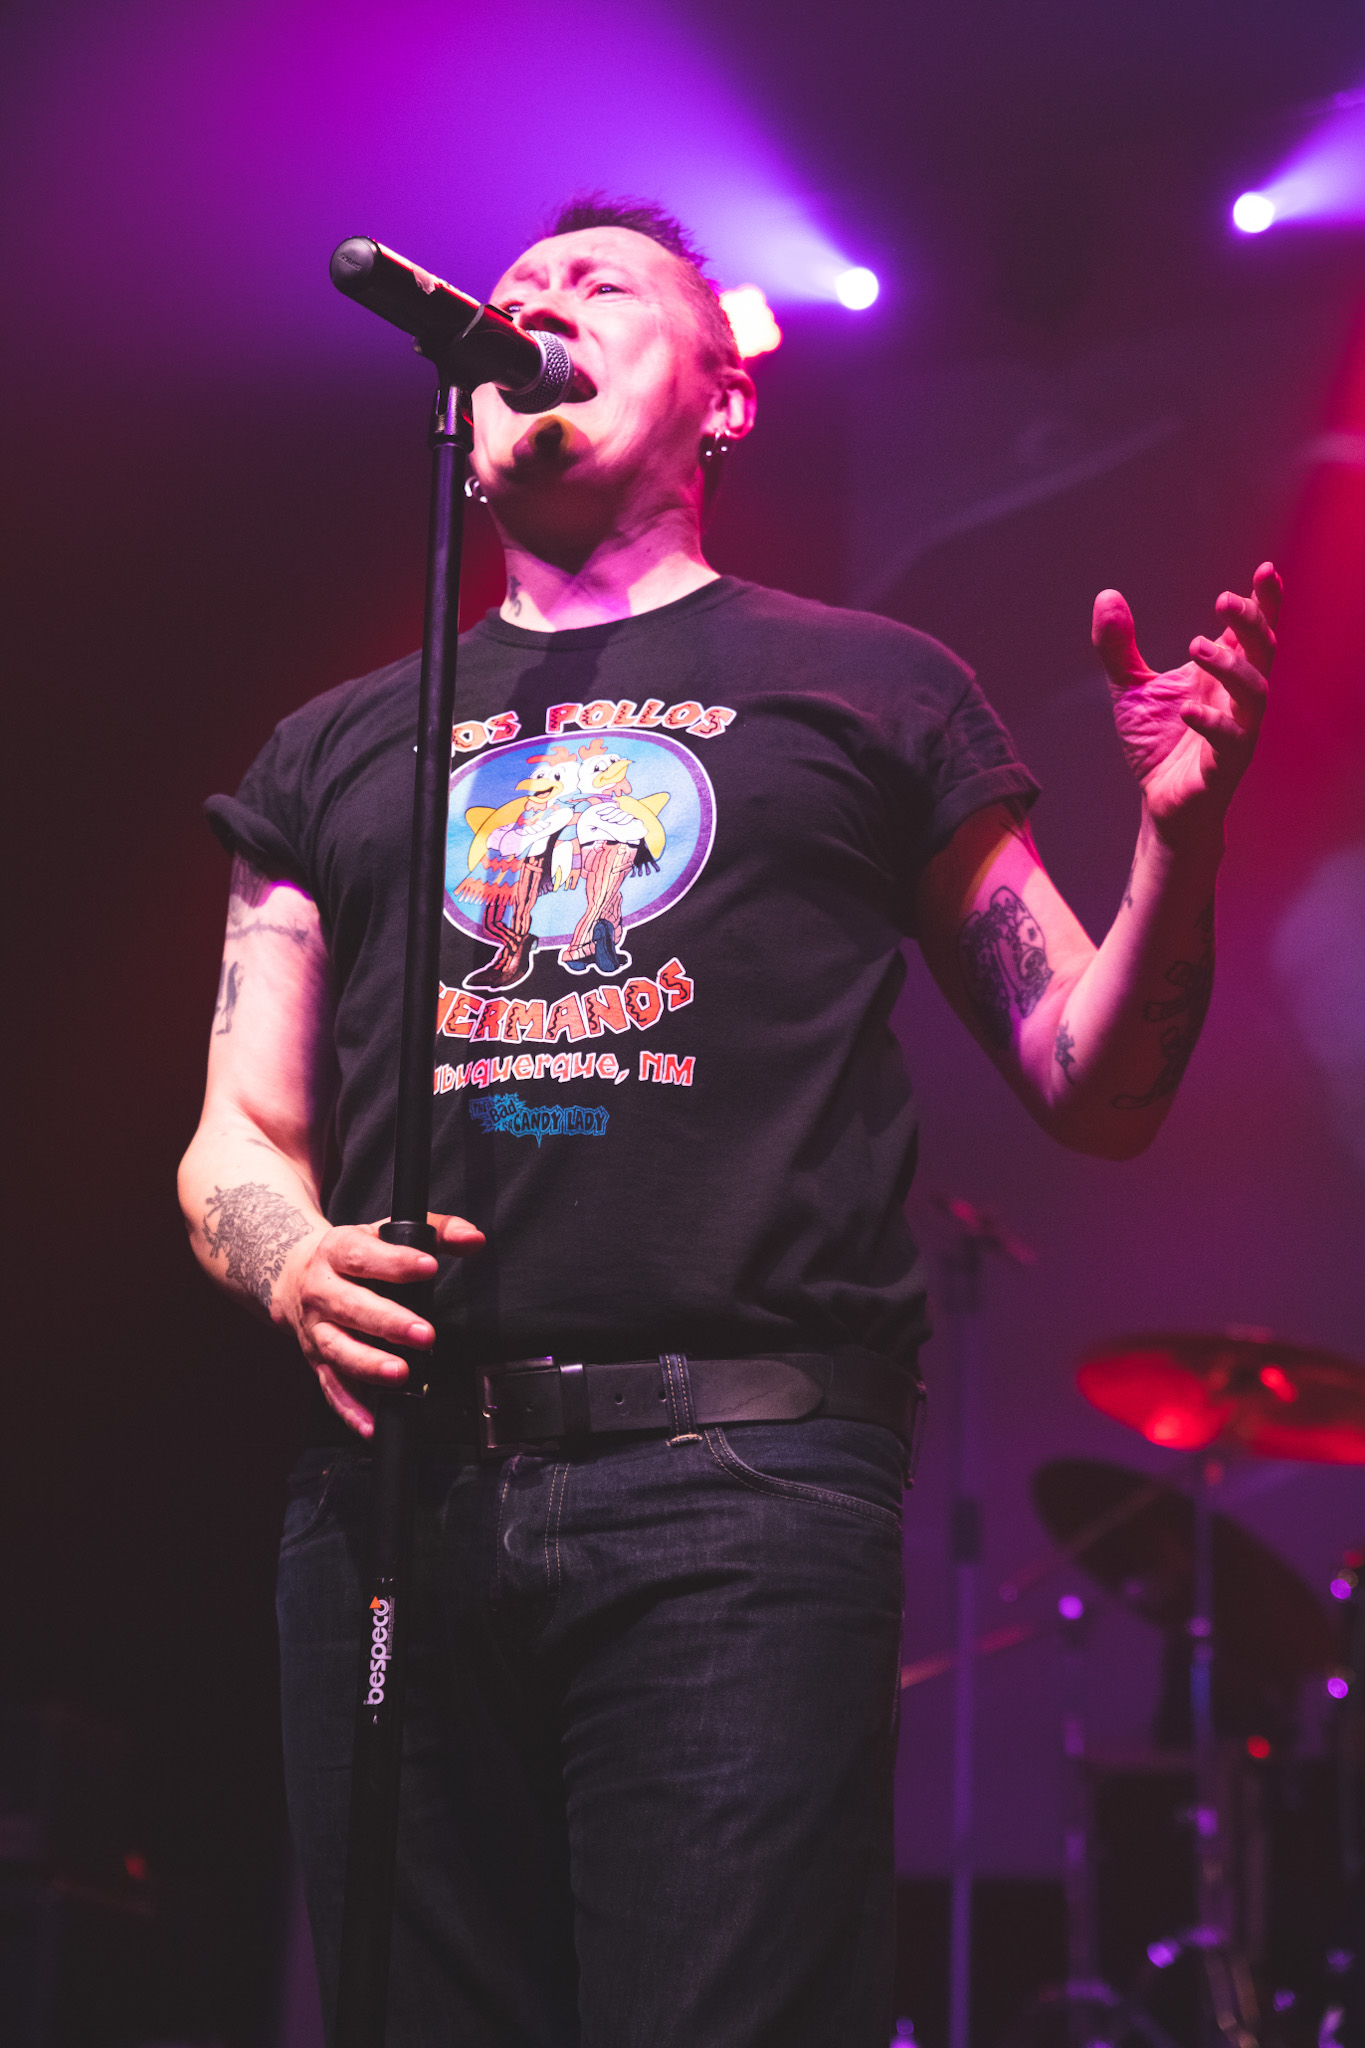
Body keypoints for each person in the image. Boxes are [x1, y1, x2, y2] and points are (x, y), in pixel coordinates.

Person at [177, 196, 1279, 2048]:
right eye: (514, 293)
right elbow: (235, 1128)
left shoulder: (869, 685)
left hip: (738, 1490)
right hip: (400, 1501)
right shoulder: (337, 745)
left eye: (598, 284)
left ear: (725, 395)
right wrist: (290, 1260)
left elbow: (1091, 1082)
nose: (538, 306)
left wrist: (1177, 845)